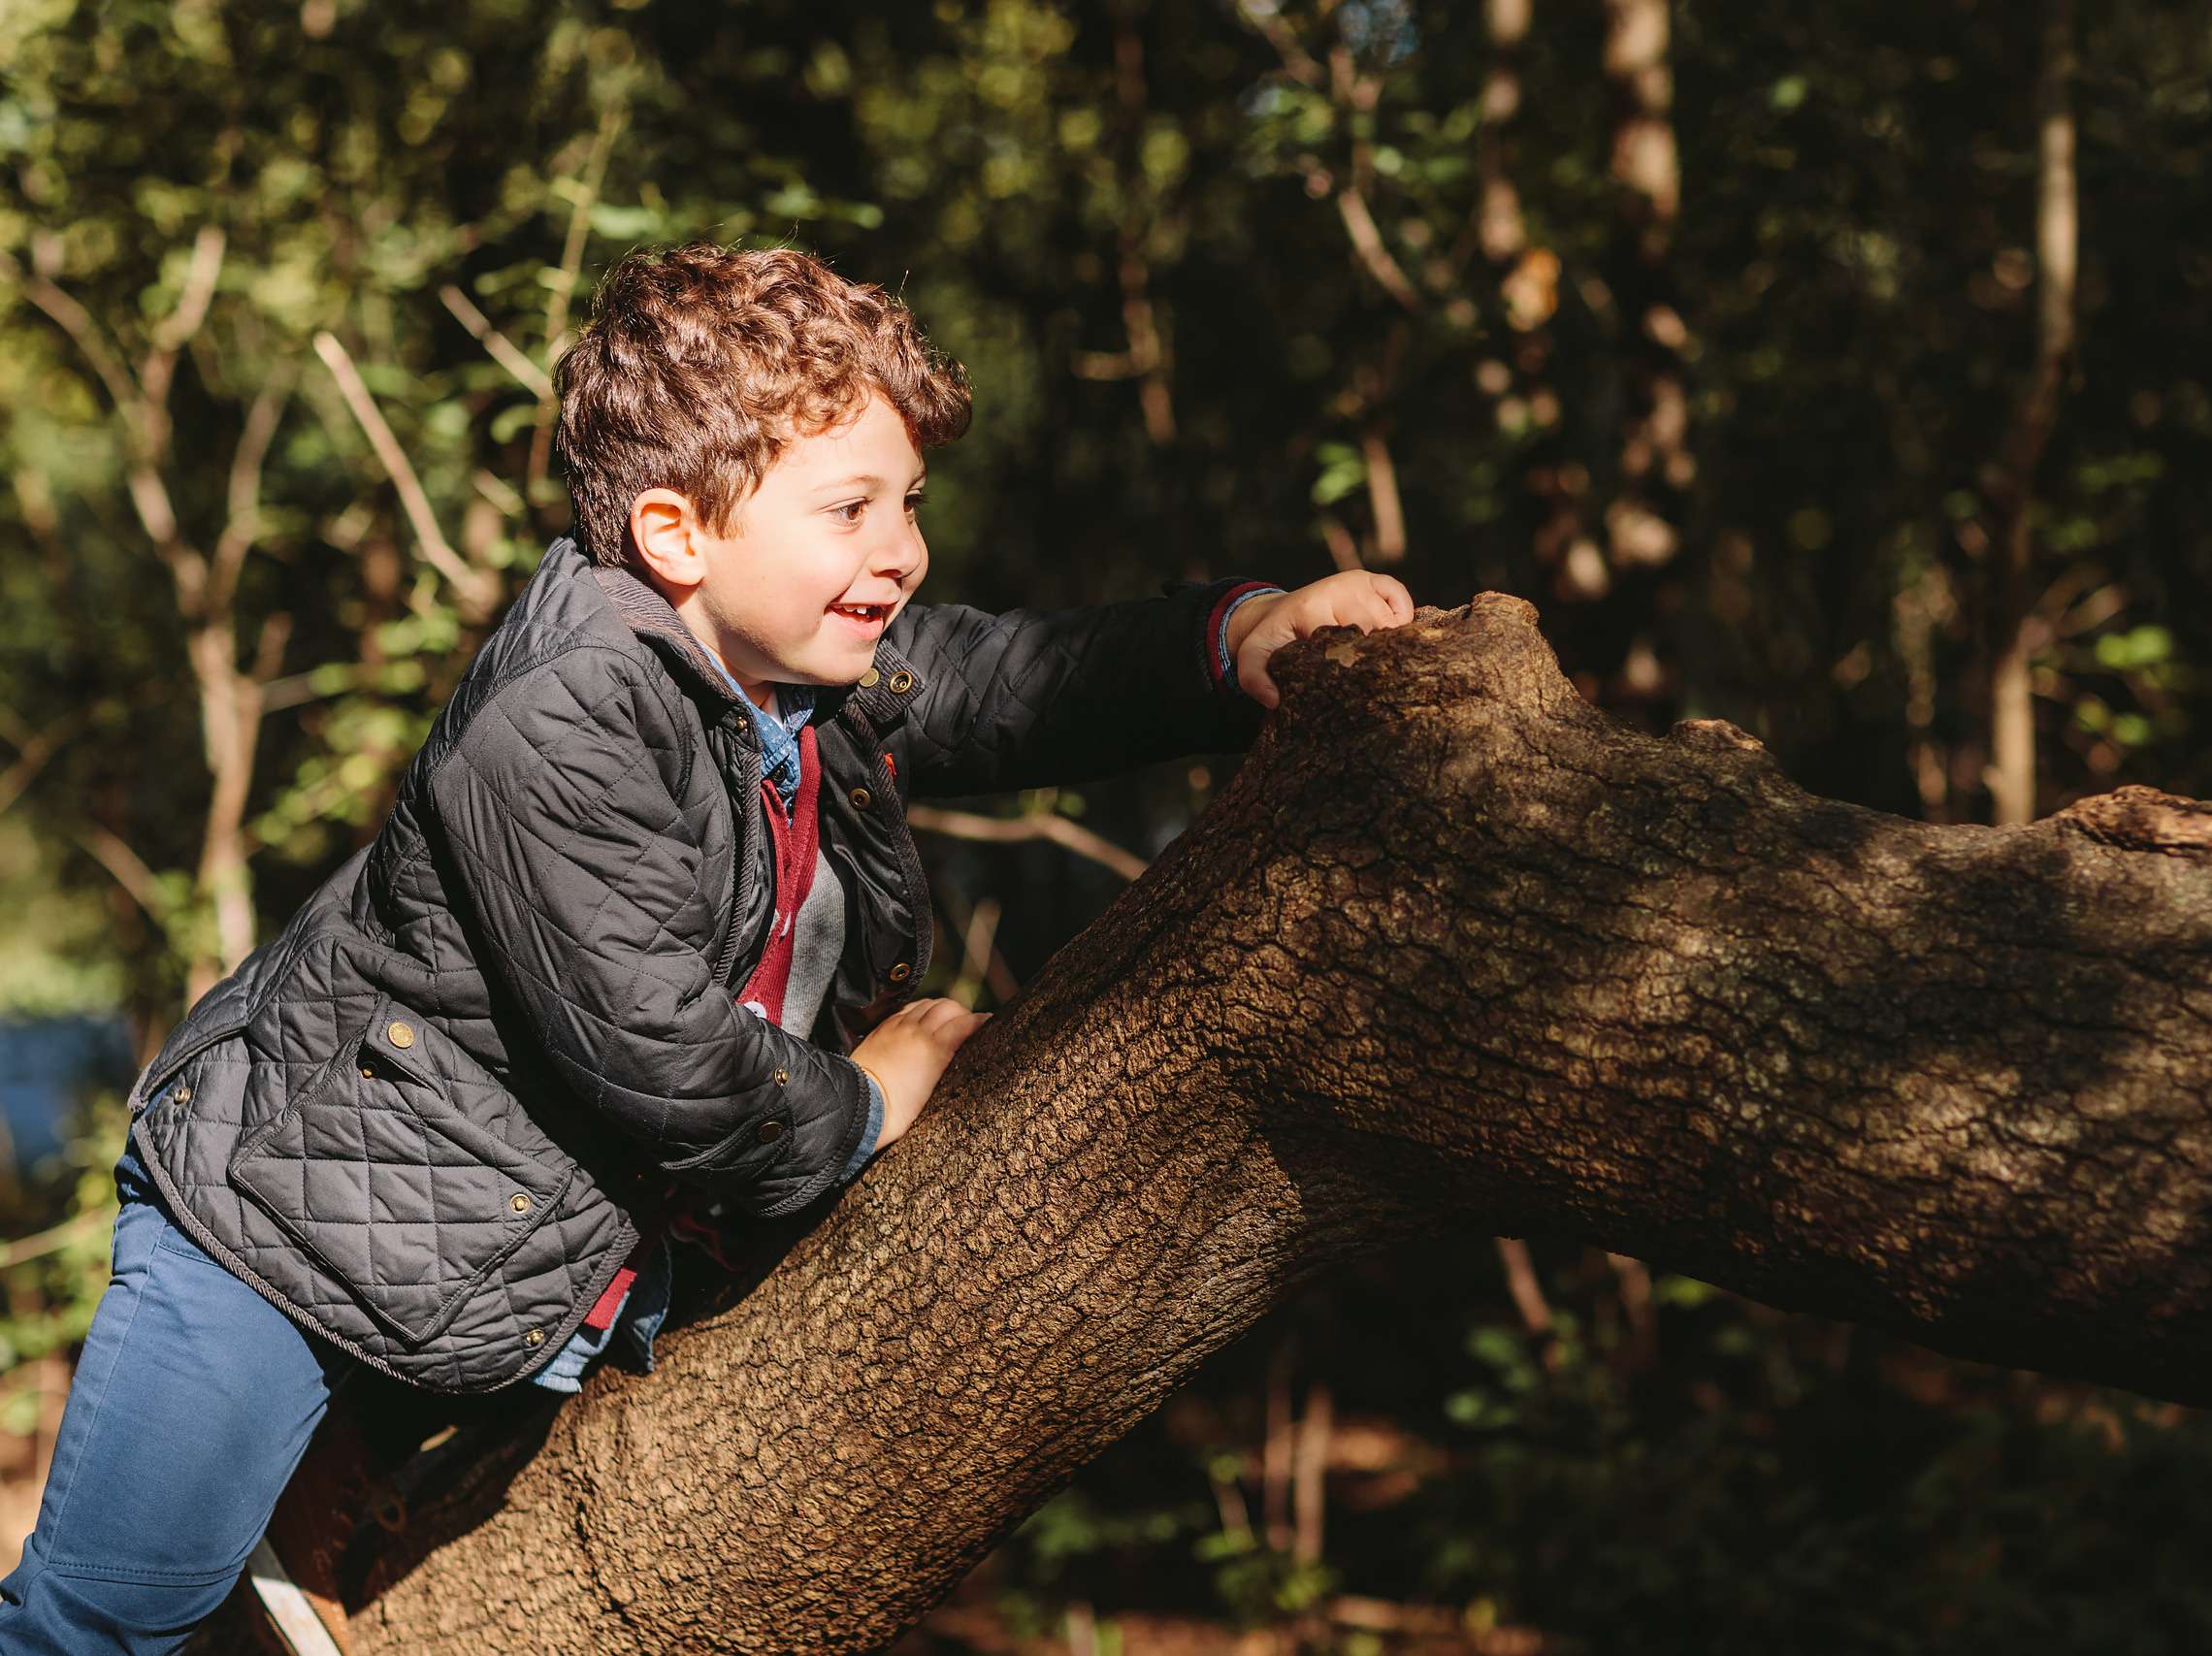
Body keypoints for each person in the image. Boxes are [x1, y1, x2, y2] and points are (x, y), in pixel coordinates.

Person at [0, 243, 1413, 1653]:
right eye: (850, 507)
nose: (902, 551)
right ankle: (280, 1490)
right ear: (679, 534)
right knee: (95, 1622)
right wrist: (868, 1101)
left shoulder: (795, 666)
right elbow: (657, 1047)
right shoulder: (563, 717)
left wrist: (1229, 643)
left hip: (481, 1236)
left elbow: (1001, 679)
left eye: (909, 503)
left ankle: (319, 1480)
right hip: (263, 1229)